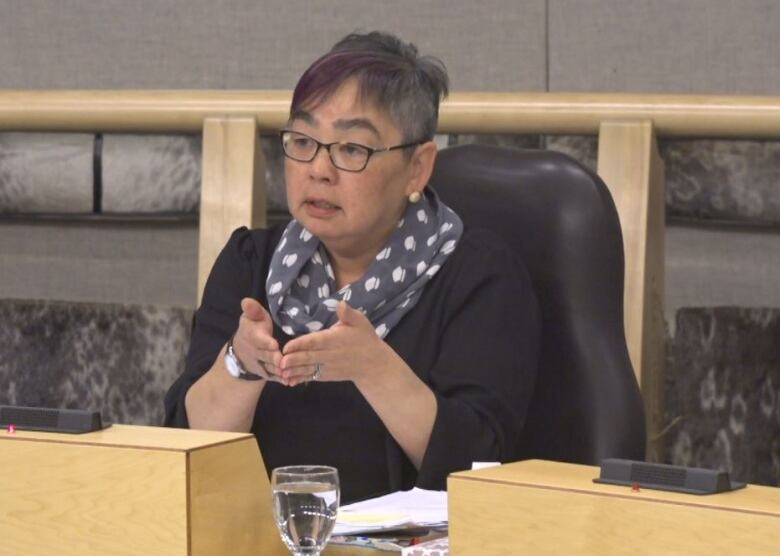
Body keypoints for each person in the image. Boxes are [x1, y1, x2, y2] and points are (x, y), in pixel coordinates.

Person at [164, 31, 539, 503]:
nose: (318, 169)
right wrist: (240, 364)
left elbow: (484, 467)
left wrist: (374, 368)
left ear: (417, 169)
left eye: (350, 149)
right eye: (303, 140)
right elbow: (184, 449)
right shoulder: (251, 264)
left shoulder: (479, 277)